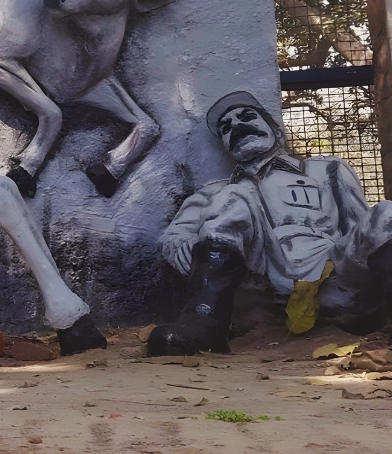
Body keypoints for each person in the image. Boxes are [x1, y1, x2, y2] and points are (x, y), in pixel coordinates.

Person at [148, 90, 392, 356]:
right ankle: (205, 322)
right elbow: (173, 236)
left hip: (333, 273)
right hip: (263, 281)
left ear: (276, 130)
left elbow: (362, 228)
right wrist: (182, 246)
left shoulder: (326, 170)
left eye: (247, 117)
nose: (237, 127)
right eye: (226, 128)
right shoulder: (217, 192)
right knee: (234, 194)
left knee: (388, 212)